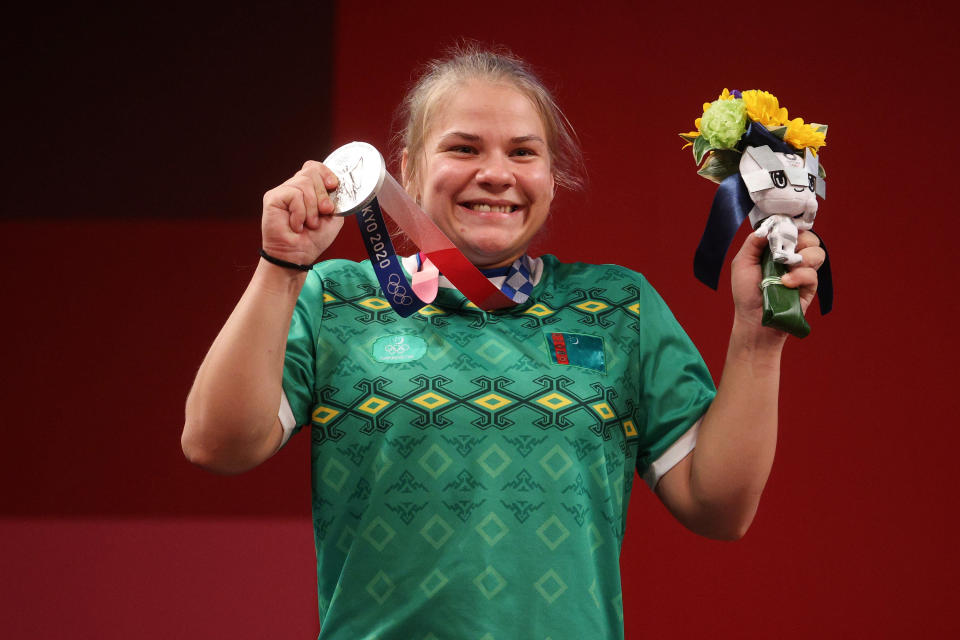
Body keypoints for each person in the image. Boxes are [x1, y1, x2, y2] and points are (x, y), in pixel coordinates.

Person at [182, 45, 824, 640]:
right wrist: (280, 266)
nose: (496, 173)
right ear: (404, 169)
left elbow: (719, 509)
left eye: (523, 152)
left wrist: (757, 340)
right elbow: (217, 444)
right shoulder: (336, 298)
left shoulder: (618, 308)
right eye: (462, 148)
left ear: (552, 176)